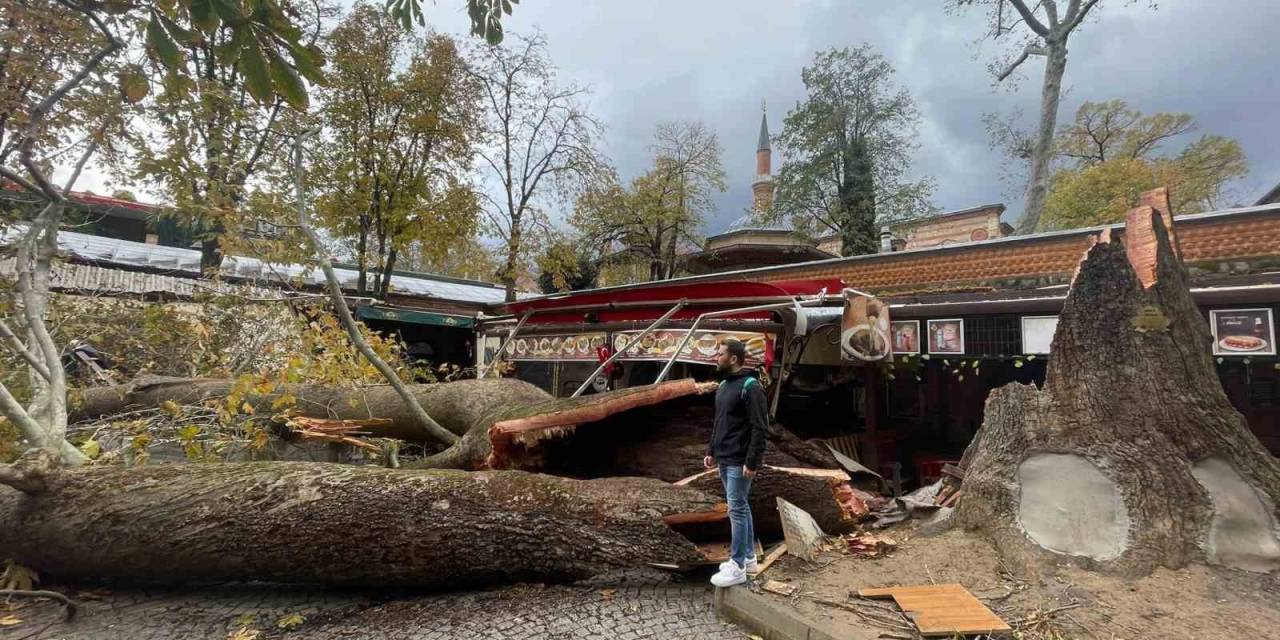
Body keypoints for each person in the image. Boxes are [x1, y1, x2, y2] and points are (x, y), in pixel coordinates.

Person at [704, 338, 769, 587]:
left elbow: (760, 428)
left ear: (733, 359)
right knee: (741, 506)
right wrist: (711, 450)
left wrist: (752, 461)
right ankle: (750, 558)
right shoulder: (723, 387)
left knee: (737, 510)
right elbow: (720, 422)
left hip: (739, 461)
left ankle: (738, 565)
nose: (715, 357)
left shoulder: (751, 387)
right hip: (723, 457)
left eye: (720, 354)